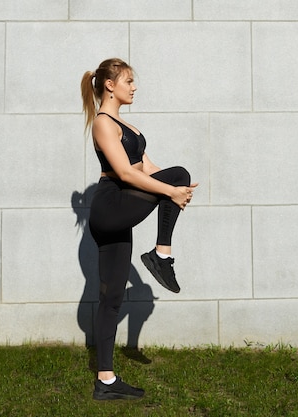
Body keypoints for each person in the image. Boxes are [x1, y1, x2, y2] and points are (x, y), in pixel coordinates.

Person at [80, 58, 198, 400]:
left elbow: (149, 168)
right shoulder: (103, 123)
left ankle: (105, 381)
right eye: (129, 81)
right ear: (110, 86)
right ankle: (162, 254)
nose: (134, 87)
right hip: (111, 205)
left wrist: (181, 188)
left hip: (122, 204)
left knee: (112, 296)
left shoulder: (127, 125)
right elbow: (128, 174)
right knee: (176, 176)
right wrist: (172, 186)